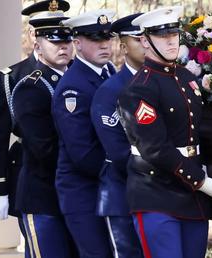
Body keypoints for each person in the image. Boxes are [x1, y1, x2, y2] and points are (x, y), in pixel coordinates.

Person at [118, 6, 212, 258]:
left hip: (192, 195)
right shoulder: (138, 89)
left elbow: (197, 131)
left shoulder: (185, 76)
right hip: (156, 192)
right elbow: (154, 147)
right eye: (161, 36)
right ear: (145, 41)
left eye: (174, 34)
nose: (171, 41)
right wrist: (200, 180)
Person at [0, 1, 68, 257]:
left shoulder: (80, 73)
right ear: (35, 37)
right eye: (52, 37)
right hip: (32, 173)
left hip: (75, 180)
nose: (62, 45)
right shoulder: (13, 77)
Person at [11, 2, 76, 256]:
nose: (63, 47)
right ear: (36, 43)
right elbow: (44, 148)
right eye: (53, 41)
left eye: (67, 40)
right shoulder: (30, 87)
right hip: (44, 197)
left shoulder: (82, 80)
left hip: (76, 196)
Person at [51, 9, 116, 258]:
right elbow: (83, 152)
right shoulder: (72, 87)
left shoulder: (109, 71)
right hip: (83, 192)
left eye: (106, 38)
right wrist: (126, 169)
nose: (104, 45)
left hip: (106, 186)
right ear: (77, 43)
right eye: (95, 39)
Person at [90, 13, 145, 258]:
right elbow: (120, 153)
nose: (147, 44)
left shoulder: (168, 83)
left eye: (149, 37)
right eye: (138, 39)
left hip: (160, 198)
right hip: (123, 196)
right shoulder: (110, 91)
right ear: (123, 46)